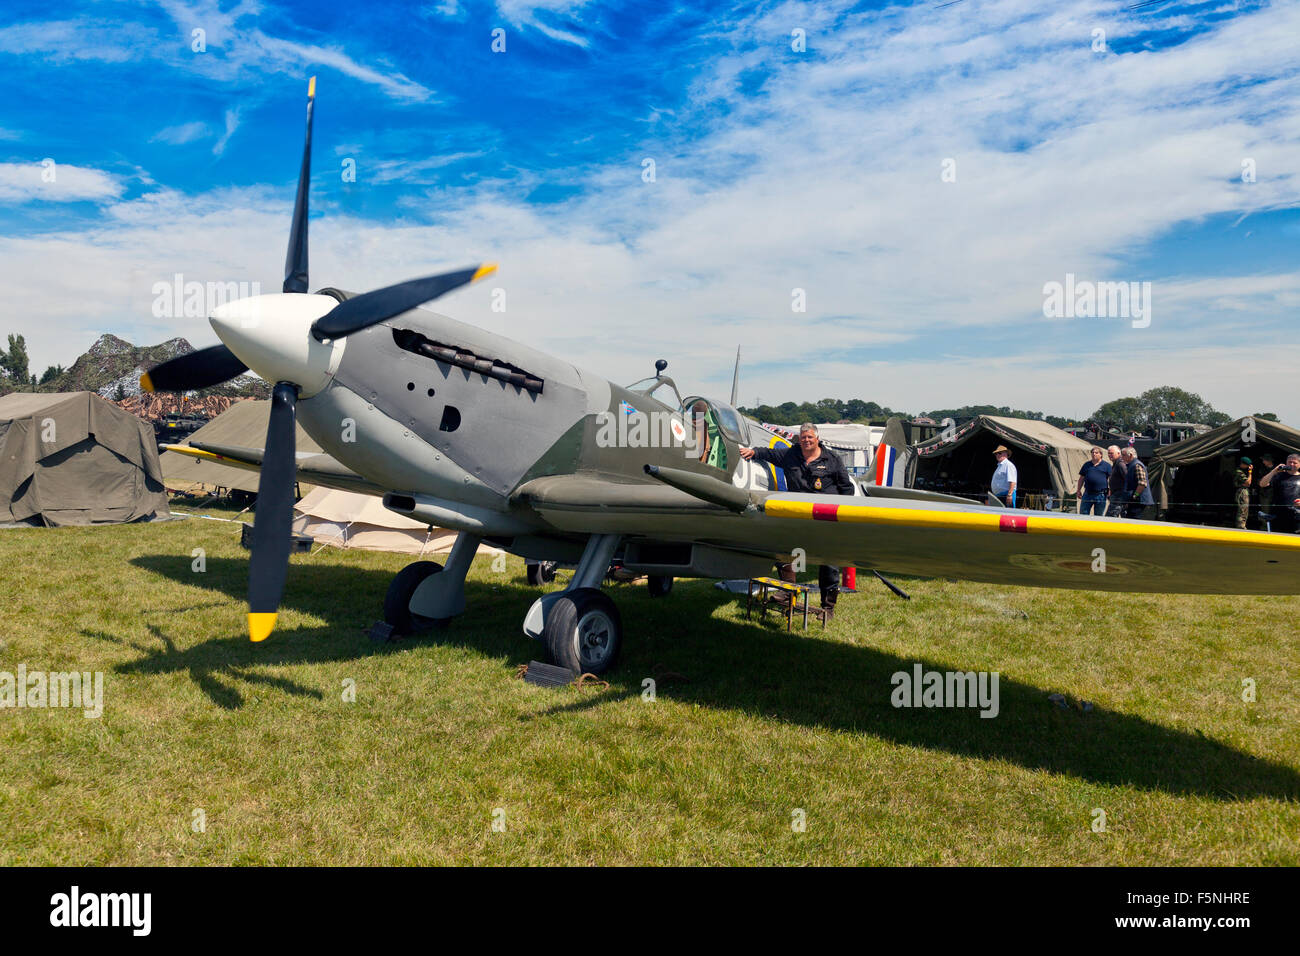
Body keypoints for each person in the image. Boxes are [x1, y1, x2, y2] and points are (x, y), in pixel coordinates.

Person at [740, 423, 853, 618]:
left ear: (817, 439)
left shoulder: (832, 460)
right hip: (798, 515)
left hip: (823, 516)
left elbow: (846, 488)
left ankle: (828, 608)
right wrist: (752, 452)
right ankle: (788, 591)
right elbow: (768, 454)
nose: (806, 441)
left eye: (810, 437)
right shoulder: (791, 455)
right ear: (799, 439)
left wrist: (841, 515)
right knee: (786, 550)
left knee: (828, 562)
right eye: (803, 438)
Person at [1258, 454, 1300, 533]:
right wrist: (1274, 471)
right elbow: (1262, 484)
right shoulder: (1278, 476)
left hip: (1297, 516)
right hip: (1278, 515)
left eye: (1295, 463)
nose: (1291, 464)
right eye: (1289, 462)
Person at [1075, 446, 1111, 516]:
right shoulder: (1087, 465)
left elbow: (1111, 479)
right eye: (1092, 452)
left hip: (1101, 495)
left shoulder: (1107, 466)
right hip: (1088, 494)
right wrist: (1078, 490)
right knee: (1083, 515)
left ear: (1101, 454)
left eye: (1096, 453)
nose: (1094, 454)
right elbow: (1081, 478)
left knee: (1098, 516)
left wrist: (1111, 490)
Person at [1120, 446, 1153, 518]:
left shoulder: (1137, 465)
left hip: (1138, 501)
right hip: (1135, 500)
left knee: (1134, 520)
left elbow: (1142, 483)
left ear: (1130, 455)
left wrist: (1135, 496)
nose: (1121, 457)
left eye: (1123, 455)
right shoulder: (1131, 465)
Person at [1105, 445, 1127, 517]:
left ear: (1118, 453)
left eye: (1112, 453)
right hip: (1116, 494)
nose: (1109, 455)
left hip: (1119, 496)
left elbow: (1127, 478)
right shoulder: (1116, 463)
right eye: (1109, 453)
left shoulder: (1120, 464)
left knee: (1110, 517)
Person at [1233, 457, 1253, 530]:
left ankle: (1242, 525)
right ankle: (1240, 526)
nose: (1248, 467)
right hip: (1241, 491)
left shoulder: (1243, 471)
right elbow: (1248, 482)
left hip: (1244, 490)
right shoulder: (1239, 471)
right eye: (1247, 465)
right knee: (1242, 509)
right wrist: (1250, 472)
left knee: (1245, 509)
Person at [1258, 454, 1275, 529]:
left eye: (1264, 460)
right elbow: (1259, 479)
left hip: (1274, 493)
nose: (1263, 462)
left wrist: (1270, 483)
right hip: (1265, 493)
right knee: (1265, 510)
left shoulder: (1276, 469)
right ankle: (1265, 526)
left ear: (1269, 460)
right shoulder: (1262, 469)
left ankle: (1272, 526)